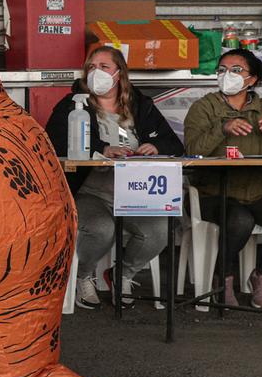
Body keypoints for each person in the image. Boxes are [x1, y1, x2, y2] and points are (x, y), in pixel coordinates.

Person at [46, 46, 183, 310]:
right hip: (89, 192)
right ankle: (84, 275)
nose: (96, 72)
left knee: (159, 230)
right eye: (91, 67)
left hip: (135, 193)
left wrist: (155, 148)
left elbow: (173, 144)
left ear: (119, 73)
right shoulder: (72, 105)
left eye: (104, 67)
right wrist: (101, 149)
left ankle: (123, 274)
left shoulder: (141, 105)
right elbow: (54, 141)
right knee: (101, 229)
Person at [183, 49, 262, 309]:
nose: (227, 75)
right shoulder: (204, 107)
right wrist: (222, 128)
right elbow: (191, 151)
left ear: (253, 80)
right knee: (239, 219)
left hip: (255, 191)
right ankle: (222, 281)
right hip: (210, 194)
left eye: (236, 70)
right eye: (222, 69)